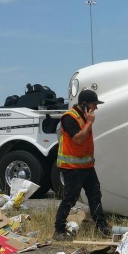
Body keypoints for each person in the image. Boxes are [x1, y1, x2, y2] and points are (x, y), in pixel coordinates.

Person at [53, 89, 110, 241]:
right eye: (94, 104)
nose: (96, 108)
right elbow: (78, 139)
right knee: (70, 199)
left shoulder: (84, 117)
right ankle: (58, 230)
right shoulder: (69, 117)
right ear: (84, 105)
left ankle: (102, 226)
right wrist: (90, 123)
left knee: (95, 195)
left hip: (87, 167)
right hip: (72, 168)